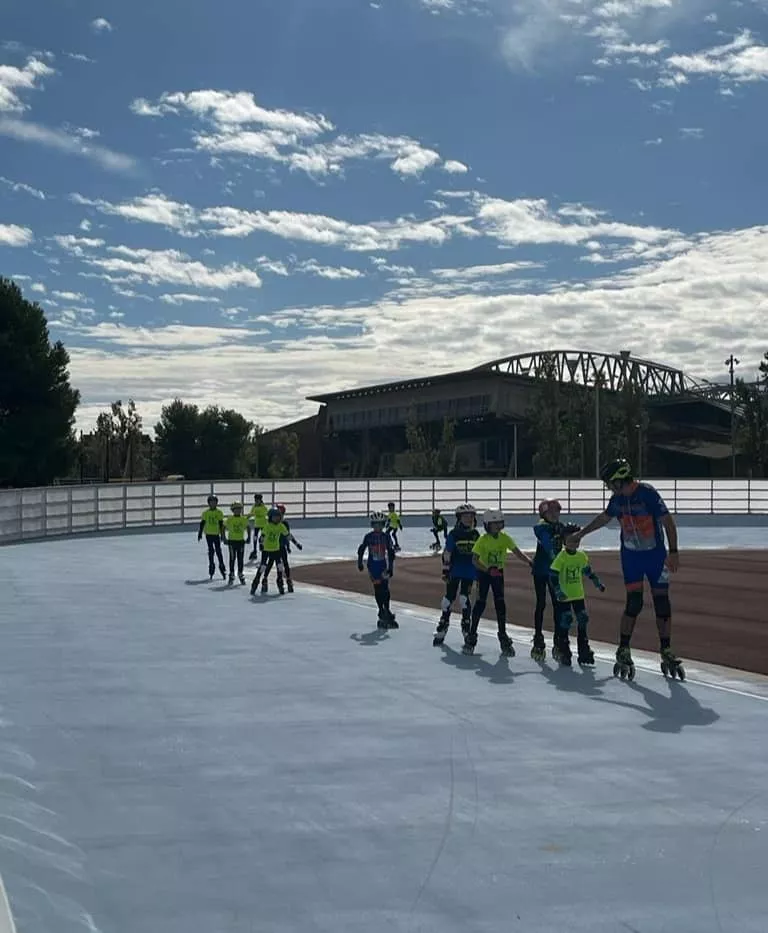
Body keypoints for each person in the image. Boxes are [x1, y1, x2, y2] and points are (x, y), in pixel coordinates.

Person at [572, 458, 683, 681]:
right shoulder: (618, 500)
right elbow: (604, 517)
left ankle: (666, 649)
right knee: (634, 602)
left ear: (620, 478)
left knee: (662, 601)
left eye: (610, 482)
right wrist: (581, 534)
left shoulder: (647, 493)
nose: (608, 487)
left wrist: (673, 552)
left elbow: (668, 522)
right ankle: (623, 648)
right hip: (631, 557)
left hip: (655, 556)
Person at [463, 509, 533, 657]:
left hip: (498, 574)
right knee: (480, 603)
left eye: (500, 523)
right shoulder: (483, 540)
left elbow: (517, 552)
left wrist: (529, 562)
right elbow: (474, 560)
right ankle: (472, 635)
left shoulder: (504, 538)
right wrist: (488, 570)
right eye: (495, 524)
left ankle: (502, 635)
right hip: (484, 574)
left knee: (500, 604)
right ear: (488, 525)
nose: (498, 526)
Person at [548, 523, 605, 666]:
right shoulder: (561, 556)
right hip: (564, 596)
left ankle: (584, 649)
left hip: (578, 594)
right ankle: (563, 648)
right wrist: (558, 590)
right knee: (566, 620)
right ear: (564, 540)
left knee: (583, 619)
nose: (575, 542)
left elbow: (587, 571)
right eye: (571, 539)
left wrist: (597, 582)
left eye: (577, 539)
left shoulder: (581, 556)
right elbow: (553, 575)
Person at [433, 503, 479, 646]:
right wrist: (445, 570)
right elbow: (448, 552)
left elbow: (479, 554)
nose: (469, 519)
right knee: (449, 598)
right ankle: (444, 622)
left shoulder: (475, 534)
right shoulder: (454, 534)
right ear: (459, 518)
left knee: (465, 598)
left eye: (471, 516)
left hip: (469, 572)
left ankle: (466, 625)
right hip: (455, 570)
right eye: (466, 516)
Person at [531, 499, 565, 661]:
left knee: (558, 605)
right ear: (544, 515)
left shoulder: (559, 526)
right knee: (541, 603)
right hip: (541, 570)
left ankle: (558, 639)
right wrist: (555, 556)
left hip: (554, 571)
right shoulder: (541, 527)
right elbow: (546, 543)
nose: (555, 515)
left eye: (557, 512)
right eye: (551, 513)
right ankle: (538, 636)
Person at [358, 511, 397, 629]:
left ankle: (387, 609)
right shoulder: (369, 537)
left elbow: (390, 552)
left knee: (385, 589)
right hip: (373, 566)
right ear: (372, 525)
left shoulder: (386, 537)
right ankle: (381, 610)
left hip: (383, 565)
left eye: (380, 525)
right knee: (378, 588)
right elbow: (361, 549)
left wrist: (390, 568)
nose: (378, 527)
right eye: (375, 525)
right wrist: (360, 562)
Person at [250, 507, 289, 596]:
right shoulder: (267, 526)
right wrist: (261, 543)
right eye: (275, 517)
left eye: (278, 517)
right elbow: (262, 536)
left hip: (276, 549)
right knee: (263, 566)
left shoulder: (281, 526)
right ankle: (255, 582)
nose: (277, 519)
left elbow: (287, 535)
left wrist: (296, 543)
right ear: (270, 517)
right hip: (266, 550)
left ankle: (280, 582)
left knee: (280, 566)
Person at [275, 502, 303, 593]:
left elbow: (288, 535)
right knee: (279, 565)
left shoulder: (285, 524)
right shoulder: (272, 524)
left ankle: (288, 580)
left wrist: (293, 545)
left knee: (285, 564)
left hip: (282, 546)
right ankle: (280, 581)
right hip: (274, 548)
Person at [198, 494, 226, 580]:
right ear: (208, 503)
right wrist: (200, 533)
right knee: (211, 551)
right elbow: (202, 523)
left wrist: (222, 535)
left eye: (214, 502)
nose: (213, 504)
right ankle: (211, 565)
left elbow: (221, 525)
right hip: (208, 534)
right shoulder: (206, 513)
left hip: (216, 534)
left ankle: (222, 566)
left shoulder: (219, 512)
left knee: (218, 551)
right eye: (211, 502)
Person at [224, 501, 249, 585]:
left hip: (240, 541)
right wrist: (224, 538)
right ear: (233, 510)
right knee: (232, 558)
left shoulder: (243, 519)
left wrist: (248, 537)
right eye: (236, 509)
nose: (238, 511)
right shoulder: (230, 519)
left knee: (240, 558)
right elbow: (223, 527)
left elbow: (248, 527)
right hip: (232, 541)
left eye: (239, 509)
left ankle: (240, 573)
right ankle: (231, 573)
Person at [247, 493, 268, 561]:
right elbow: (251, 513)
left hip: (263, 525)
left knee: (262, 538)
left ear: (260, 500)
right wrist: (246, 518)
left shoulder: (263, 507)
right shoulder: (254, 506)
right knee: (255, 537)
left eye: (257, 500)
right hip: (257, 524)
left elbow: (265, 513)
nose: (256, 501)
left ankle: (263, 548)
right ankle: (255, 550)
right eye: (255, 500)